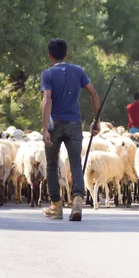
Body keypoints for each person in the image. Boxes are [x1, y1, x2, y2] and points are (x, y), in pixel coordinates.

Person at [40, 38, 100, 221]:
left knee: (52, 164)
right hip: (74, 123)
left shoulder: (48, 74)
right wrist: (96, 121)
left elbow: (47, 100)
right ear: (66, 54)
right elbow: (93, 93)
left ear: (50, 56)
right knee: (75, 163)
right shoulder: (78, 71)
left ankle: (56, 206)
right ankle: (77, 202)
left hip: (54, 123)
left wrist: (45, 128)